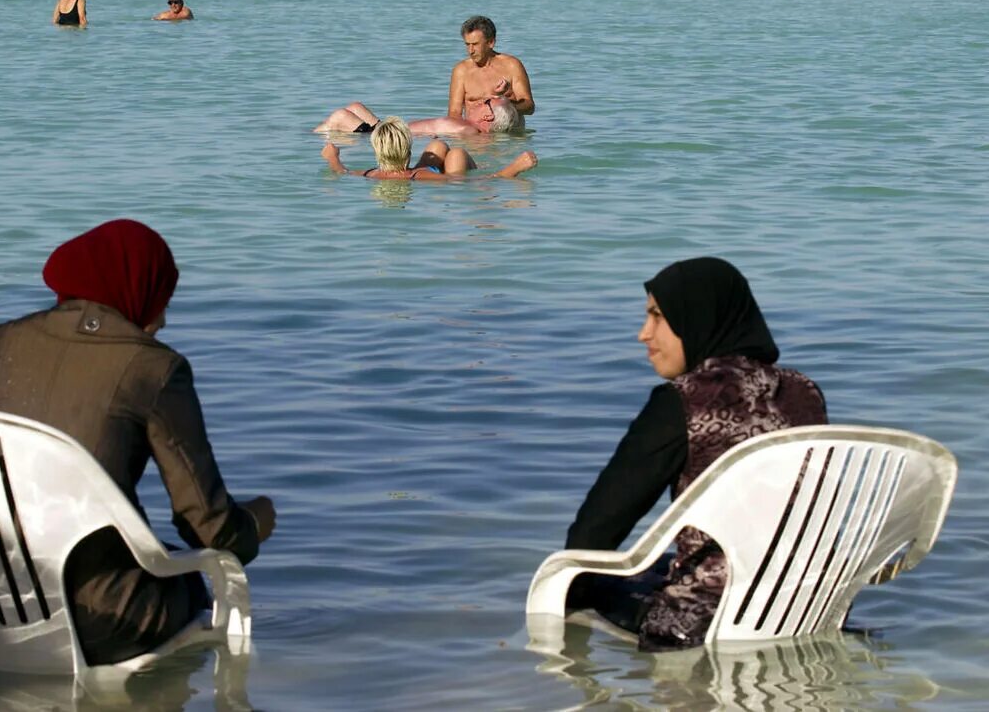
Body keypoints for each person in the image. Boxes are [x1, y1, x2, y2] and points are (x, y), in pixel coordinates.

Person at [0, 219, 276, 665]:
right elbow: (209, 527)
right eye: (161, 299)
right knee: (192, 576)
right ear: (135, 290)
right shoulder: (154, 368)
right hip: (101, 623)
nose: (161, 319)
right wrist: (255, 523)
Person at [564, 257, 828, 651]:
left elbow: (597, 530)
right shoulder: (805, 393)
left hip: (705, 619)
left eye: (657, 317)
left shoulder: (682, 403)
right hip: (805, 603)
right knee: (658, 565)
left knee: (575, 579)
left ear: (695, 318)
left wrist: (566, 589)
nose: (643, 334)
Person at [322, 116, 537, 180]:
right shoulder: (419, 177)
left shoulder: (371, 174)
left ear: (377, 150)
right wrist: (514, 167)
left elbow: (342, 171)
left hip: (414, 170)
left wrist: (332, 156)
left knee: (437, 145)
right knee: (457, 154)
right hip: (432, 175)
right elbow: (459, 182)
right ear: (407, 151)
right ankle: (469, 162)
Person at [448, 15, 534, 121]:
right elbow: (454, 114)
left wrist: (502, 105)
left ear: (491, 42)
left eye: (475, 44)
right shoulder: (461, 71)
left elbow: (529, 107)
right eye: (467, 44)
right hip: (475, 134)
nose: (470, 50)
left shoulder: (512, 65)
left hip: (509, 134)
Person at [314, 98, 521, 136]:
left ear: (487, 115)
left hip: (385, 137)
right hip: (387, 128)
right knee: (355, 107)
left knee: (340, 116)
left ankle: (308, 139)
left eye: (485, 102)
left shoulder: (469, 130)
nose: (477, 102)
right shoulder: (467, 126)